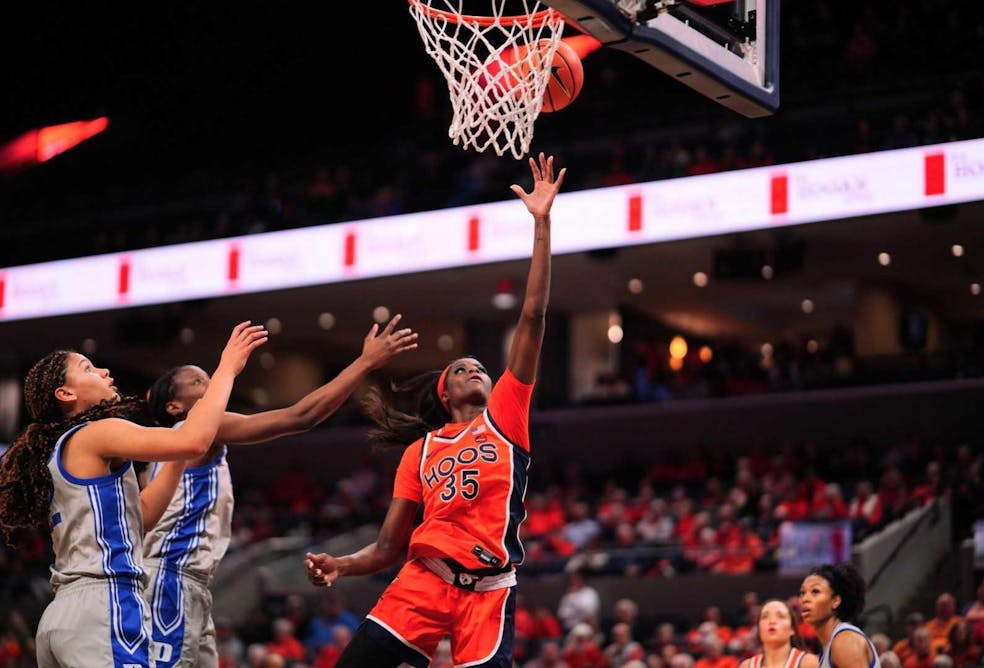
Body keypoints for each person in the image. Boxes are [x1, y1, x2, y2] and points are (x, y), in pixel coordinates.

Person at [303, 152, 566, 668]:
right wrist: (341, 564)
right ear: (444, 393)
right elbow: (385, 548)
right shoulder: (420, 453)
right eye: (461, 368)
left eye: (480, 368)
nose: (475, 370)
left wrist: (542, 223)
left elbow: (533, 315)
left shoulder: (506, 416)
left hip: (489, 590)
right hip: (423, 581)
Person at [142, 315, 418, 667]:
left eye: (211, 379)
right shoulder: (192, 428)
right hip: (171, 580)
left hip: (185, 582)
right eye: (199, 382)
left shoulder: (160, 454)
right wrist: (365, 362)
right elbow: (300, 416)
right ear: (174, 408)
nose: (211, 387)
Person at [0, 321, 267, 668]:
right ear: (66, 394)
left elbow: (139, 517)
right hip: (104, 603)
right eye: (87, 368)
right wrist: (226, 369)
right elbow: (195, 440)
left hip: (62, 616)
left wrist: (176, 459)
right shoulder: (97, 431)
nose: (103, 370)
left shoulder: (60, 451)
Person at [799, 562, 880, 668]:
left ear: (835, 601)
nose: (805, 599)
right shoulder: (828, 648)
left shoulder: (844, 641)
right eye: (802, 592)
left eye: (815, 591)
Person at [738, 599, 819, 668]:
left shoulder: (809, 663)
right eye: (765, 617)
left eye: (780, 616)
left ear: (792, 629)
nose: (772, 621)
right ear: (758, 628)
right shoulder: (747, 665)